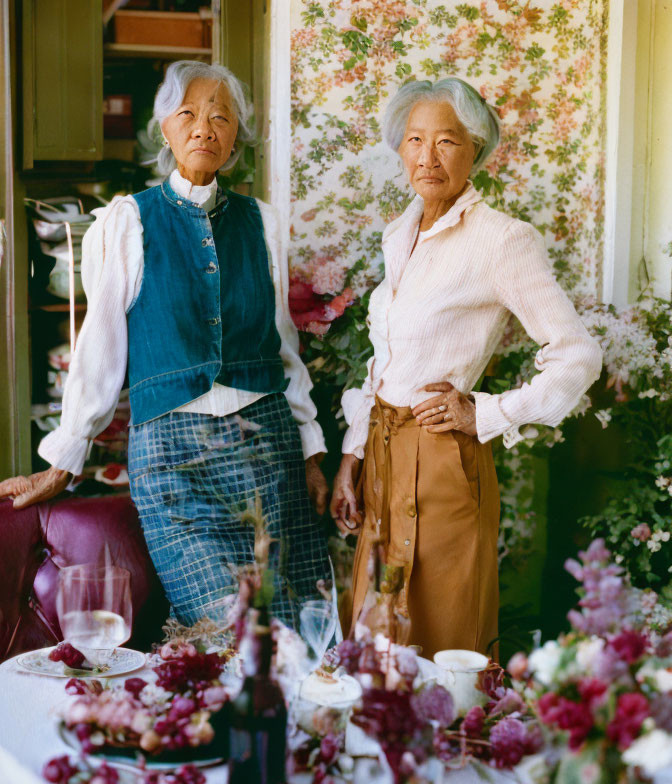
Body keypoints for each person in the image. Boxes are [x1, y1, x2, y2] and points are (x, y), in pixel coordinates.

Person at [0, 61, 331, 630]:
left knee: (290, 629)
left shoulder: (264, 222)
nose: (205, 127)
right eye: (189, 114)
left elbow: (282, 346)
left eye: (221, 117)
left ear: (235, 140)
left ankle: (228, 720)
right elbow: (99, 347)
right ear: (166, 130)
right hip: (173, 457)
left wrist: (311, 449)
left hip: (267, 448)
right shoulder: (128, 221)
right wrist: (63, 461)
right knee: (229, 623)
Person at [330, 78, 603, 659]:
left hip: (444, 460)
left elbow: (578, 354)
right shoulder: (399, 234)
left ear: (475, 148)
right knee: (378, 639)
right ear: (399, 148)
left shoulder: (502, 241)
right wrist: (351, 456)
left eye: (447, 141)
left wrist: (486, 412)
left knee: (443, 637)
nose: (427, 157)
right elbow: (386, 359)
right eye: (415, 140)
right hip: (382, 452)